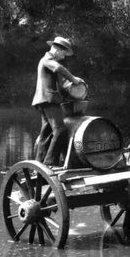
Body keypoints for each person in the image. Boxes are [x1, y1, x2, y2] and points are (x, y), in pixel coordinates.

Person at [32, 36, 84, 167]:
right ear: (56, 49)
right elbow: (59, 68)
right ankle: (49, 163)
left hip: (45, 100)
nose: (64, 57)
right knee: (61, 130)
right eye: (63, 53)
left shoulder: (48, 61)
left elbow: (61, 86)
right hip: (48, 100)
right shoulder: (48, 59)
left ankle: (39, 166)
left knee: (46, 134)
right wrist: (74, 80)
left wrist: (73, 93)